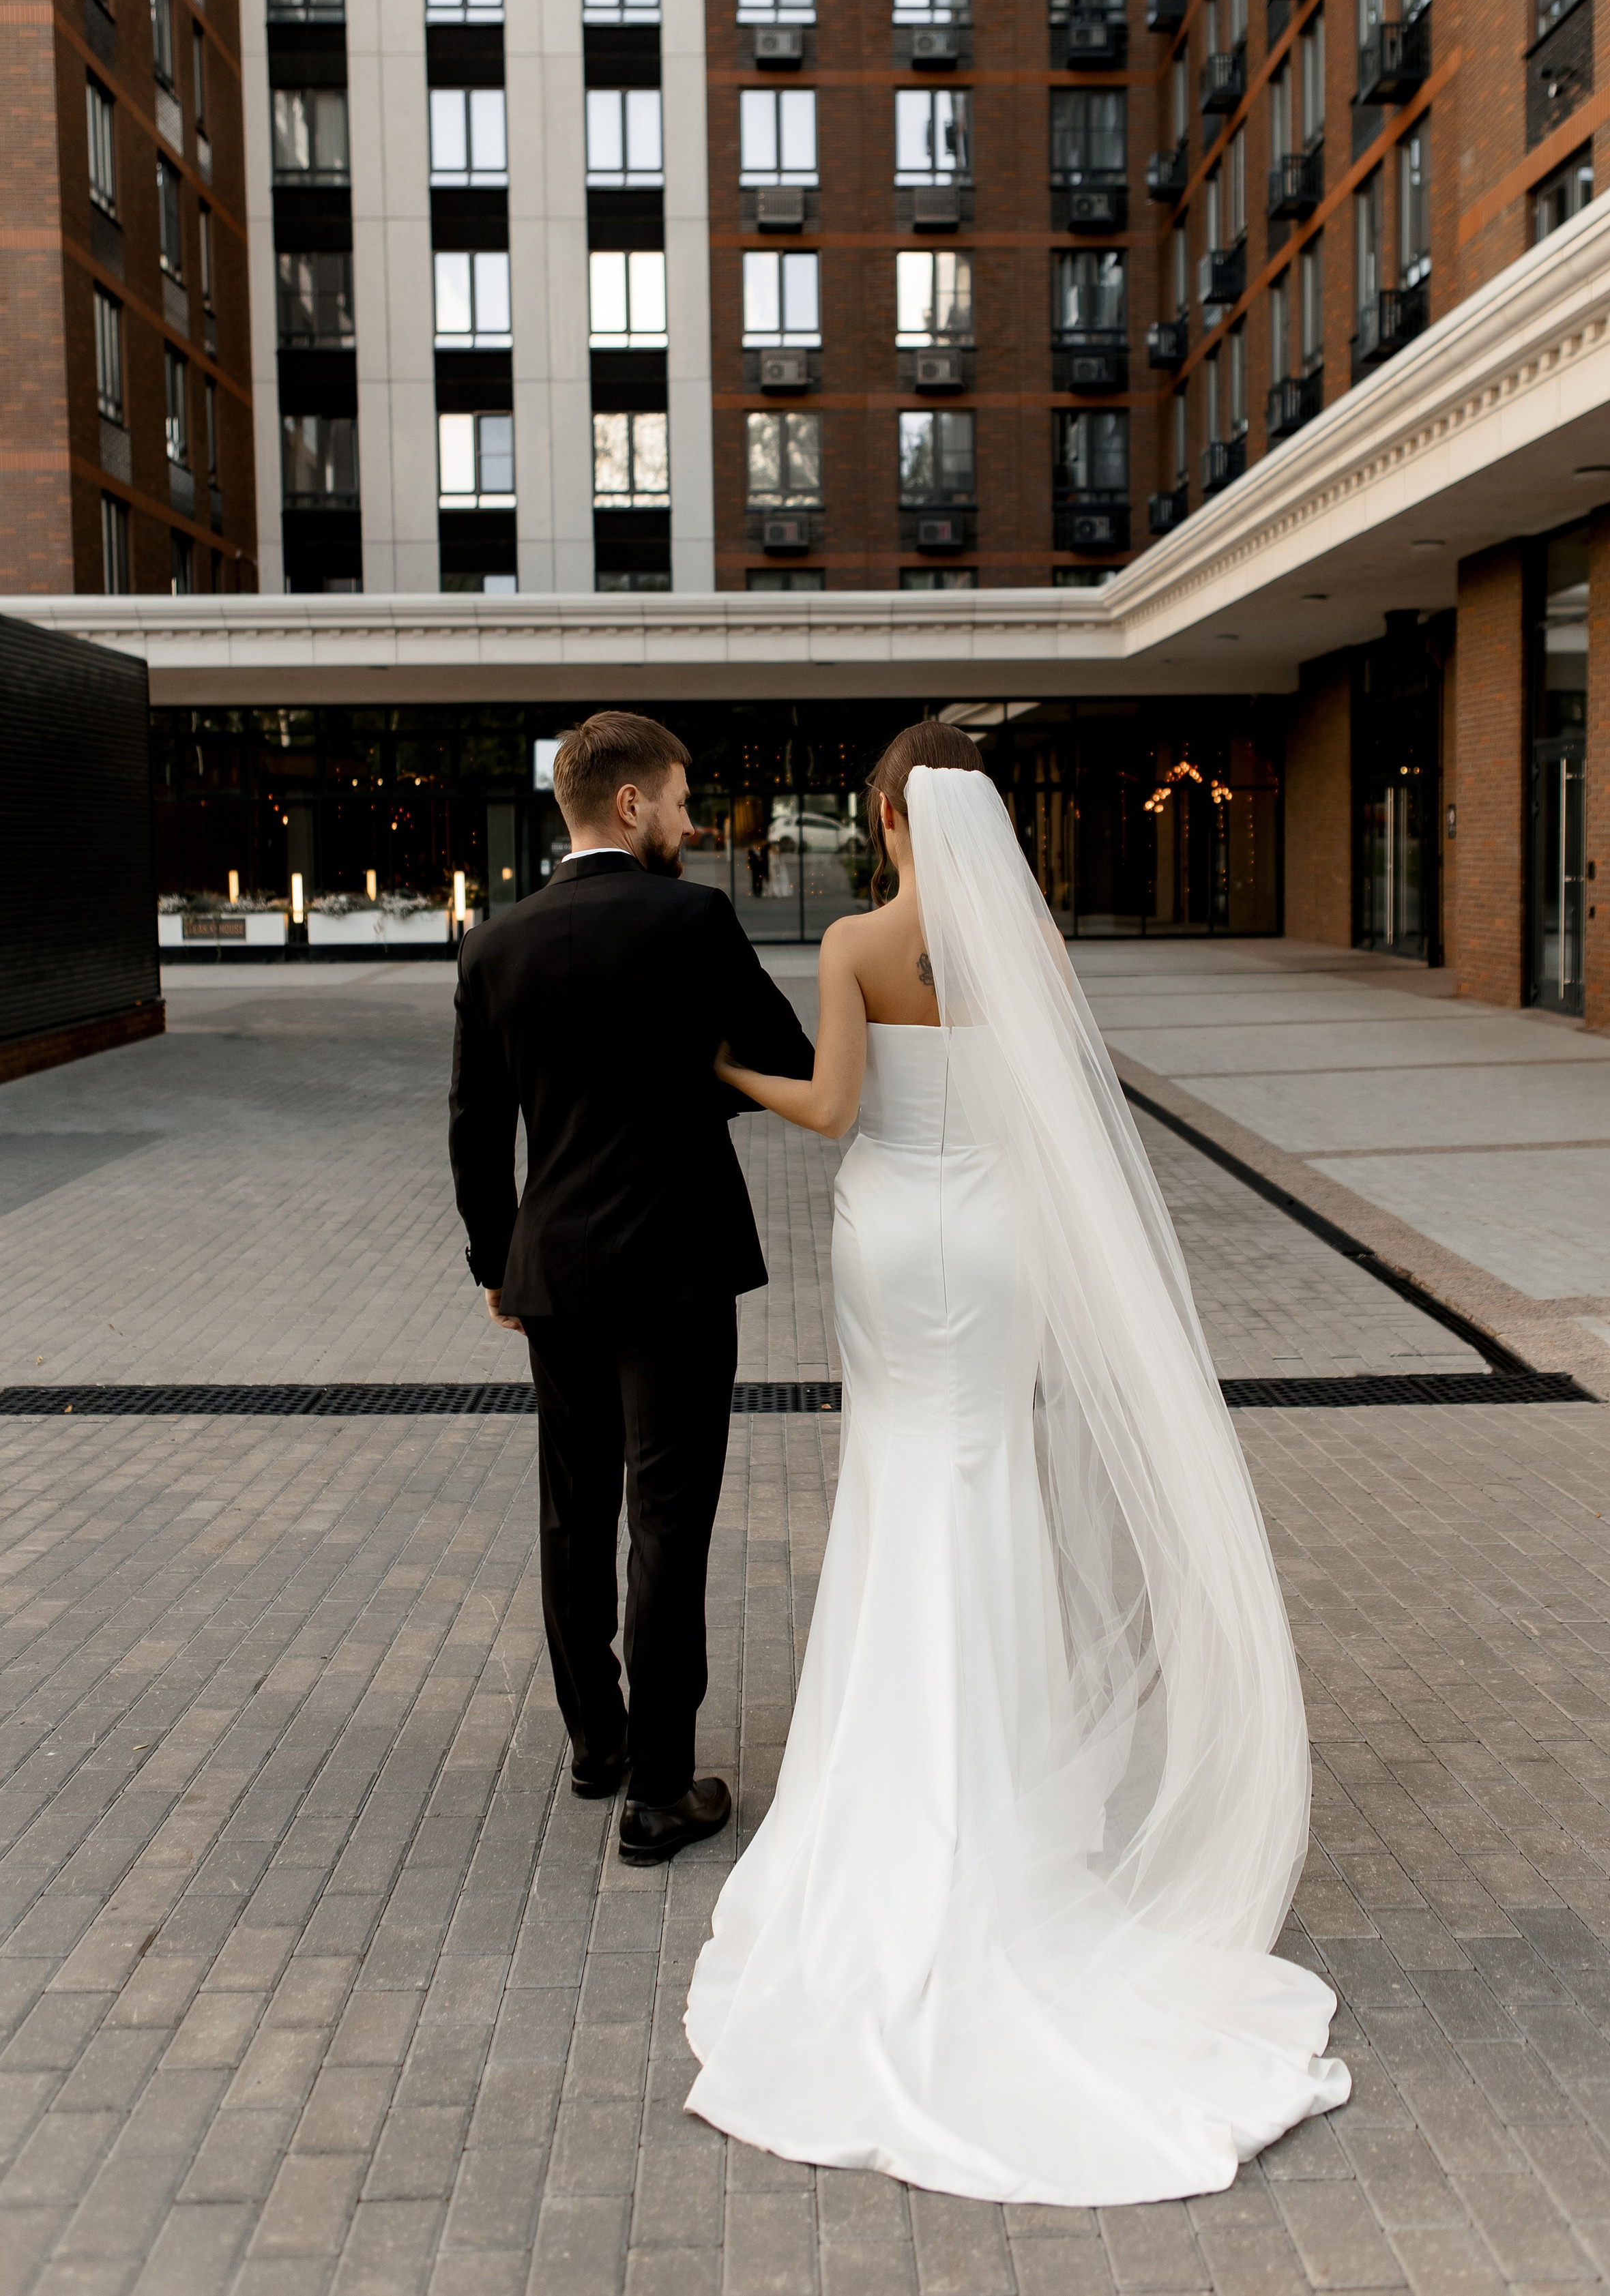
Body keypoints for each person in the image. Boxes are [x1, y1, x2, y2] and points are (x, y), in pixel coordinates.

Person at [683, 721, 1349, 2204]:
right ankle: (1006, 1785)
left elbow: (835, 1111)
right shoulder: (1032, 955)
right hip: (994, 1246)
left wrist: (730, 1065)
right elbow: (1059, 1129)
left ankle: (895, 1783)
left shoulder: (857, 937)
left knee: (895, 1481)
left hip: (886, 1237)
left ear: (883, 815)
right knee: (983, 1476)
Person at [448, 711, 814, 1866]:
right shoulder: (693, 916)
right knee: (667, 1520)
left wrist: (496, 1262)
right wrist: (690, 1087)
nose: (692, 816)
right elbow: (788, 1059)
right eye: (680, 795)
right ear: (627, 806)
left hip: (553, 1268)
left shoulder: (493, 947)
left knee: (573, 1507)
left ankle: (596, 1744)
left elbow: (473, 1134)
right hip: (677, 1265)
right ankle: (660, 1787)